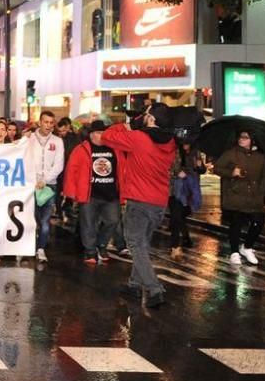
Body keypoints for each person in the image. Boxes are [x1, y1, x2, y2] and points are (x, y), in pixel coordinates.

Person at [101, 103, 176, 307]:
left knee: (135, 244)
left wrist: (126, 126)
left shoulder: (138, 138)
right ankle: (134, 285)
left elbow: (106, 137)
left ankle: (154, 289)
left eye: (146, 114)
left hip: (139, 201)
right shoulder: (170, 142)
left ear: (151, 119)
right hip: (159, 202)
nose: (142, 116)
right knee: (142, 244)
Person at [64, 120, 120, 264]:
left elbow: (123, 169)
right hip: (89, 194)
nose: (101, 135)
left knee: (113, 221)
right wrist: (70, 192)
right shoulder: (81, 149)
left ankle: (101, 245)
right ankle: (90, 251)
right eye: (98, 132)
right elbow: (71, 170)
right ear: (91, 135)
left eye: (103, 132)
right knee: (88, 223)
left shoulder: (115, 148)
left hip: (111, 194)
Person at [214, 130, 265, 266]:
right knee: (236, 223)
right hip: (235, 194)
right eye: (240, 137)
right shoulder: (231, 153)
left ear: (252, 140)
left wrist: (260, 191)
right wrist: (232, 172)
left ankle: (247, 247)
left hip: (254, 196)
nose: (241, 140)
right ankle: (234, 252)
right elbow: (217, 168)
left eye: (245, 138)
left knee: (259, 221)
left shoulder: (260, 157)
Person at [26, 111, 65, 262]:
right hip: (31, 185)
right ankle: (28, 247)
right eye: (46, 122)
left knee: (45, 221)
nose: (48, 125)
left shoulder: (58, 141)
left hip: (49, 186)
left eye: (51, 123)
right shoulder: (29, 139)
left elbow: (59, 164)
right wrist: (33, 179)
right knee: (31, 218)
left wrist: (46, 179)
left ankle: (41, 249)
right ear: (40, 122)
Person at [168, 140, 204, 260]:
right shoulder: (174, 152)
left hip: (190, 190)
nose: (186, 144)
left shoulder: (195, 153)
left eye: (188, 141)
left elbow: (201, 170)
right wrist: (176, 173)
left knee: (182, 215)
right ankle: (175, 246)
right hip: (175, 190)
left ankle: (184, 238)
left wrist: (200, 166)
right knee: (176, 216)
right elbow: (166, 168)